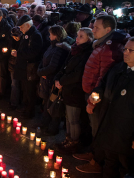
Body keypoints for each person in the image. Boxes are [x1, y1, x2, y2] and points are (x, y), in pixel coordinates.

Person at [75, 15, 127, 173]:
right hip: (91, 92)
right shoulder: (101, 45)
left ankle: (97, 161)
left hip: (97, 96)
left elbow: (102, 77)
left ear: (108, 30)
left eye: (96, 28)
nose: (93, 29)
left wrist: (93, 99)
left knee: (98, 128)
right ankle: (94, 153)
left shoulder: (109, 49)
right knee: (93, 127)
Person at [89, 37, 134, 177]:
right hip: (110, 125)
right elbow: (103, 83)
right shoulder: (118, 68)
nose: (125, 52)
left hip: (127, 131)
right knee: (109, 162)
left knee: (126, 166)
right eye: (124, 49)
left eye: (130, 50)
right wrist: (96, 94)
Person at [54, 27, 94, 153]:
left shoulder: (87, 53)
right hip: (67, 88)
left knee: (73, 119)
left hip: (75, 90)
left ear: (90, 38)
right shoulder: (74, 50)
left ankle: (74, 142)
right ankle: (68, 139)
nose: (77, 38)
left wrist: (62, 81)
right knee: (68, 117)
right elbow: (64, 66)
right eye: (77, 35)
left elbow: (78, 74)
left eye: (81, 36)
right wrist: (58, 78)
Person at [37, 25, 70, 135]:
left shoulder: (59, 49)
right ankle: (45, 122)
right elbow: (44, 58)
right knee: (47, 102)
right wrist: (40, 69)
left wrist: (41, 72)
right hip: (46, 79)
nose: (49, 36)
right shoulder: (52, 46)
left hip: (52, 81)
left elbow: (53, 67)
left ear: (56, 35)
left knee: (54, 104)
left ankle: (53, 127)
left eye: (50, 34)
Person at [12, 15, 43, 119]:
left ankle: (30, 111)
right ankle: (25, 108)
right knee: (25, 89)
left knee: (30, 91)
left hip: (30, 68)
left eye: (21, 27)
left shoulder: (36, 35)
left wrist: (18, 54)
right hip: (23, 67)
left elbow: (34, 52)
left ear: (28, 25)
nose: (20, 29)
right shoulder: (27, 34)